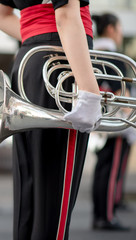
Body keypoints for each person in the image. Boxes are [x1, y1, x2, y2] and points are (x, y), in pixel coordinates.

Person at [0, 0, 101, 239]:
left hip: (29, 61)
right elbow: (66, 16)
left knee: (29, 195)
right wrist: (90, 92)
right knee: (54, 201)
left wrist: (37, 32)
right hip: (60, 64)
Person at [91, 12, 133, 231]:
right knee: (111, 170)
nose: (120, 34)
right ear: (110, 29)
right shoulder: (115, 56)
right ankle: (106, 216)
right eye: (119, 28)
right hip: (116, 123)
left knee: (102, 168)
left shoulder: (92, 51)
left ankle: (99, 214)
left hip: (97, 120)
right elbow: (121, 92)